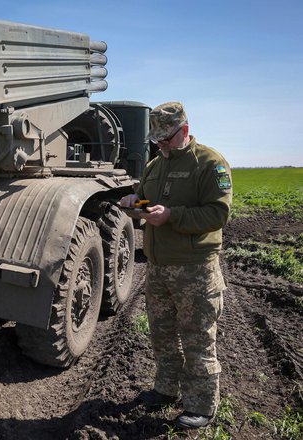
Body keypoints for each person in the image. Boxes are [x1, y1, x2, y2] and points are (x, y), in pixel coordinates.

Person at [120, 102, 232, 429]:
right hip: (158, 269)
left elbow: (217, 214)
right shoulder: (156, 166)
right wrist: (133, 205)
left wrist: (172, 216)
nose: (161, 146)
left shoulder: (210, 164)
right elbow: (148, 204)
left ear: (183, 130)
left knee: (197, 339)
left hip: (195, 271)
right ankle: (166, 389)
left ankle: (202, 406)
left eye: (166, 139)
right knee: (162, 334)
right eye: (156, 141)